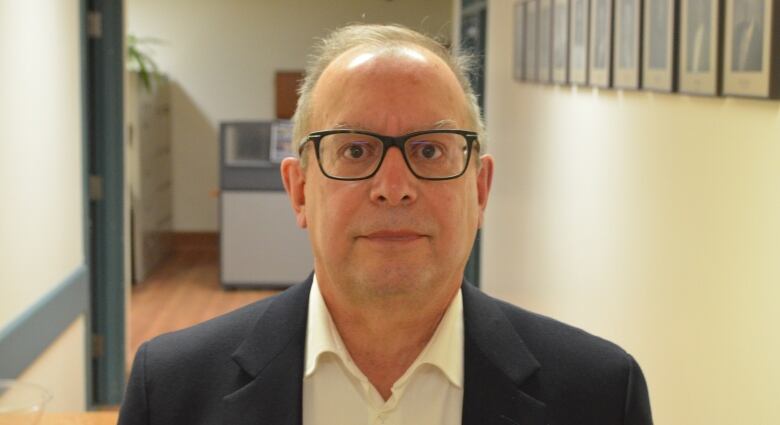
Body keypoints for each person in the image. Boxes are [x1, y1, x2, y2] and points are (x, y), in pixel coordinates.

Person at [118, 24, 653, 425]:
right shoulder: (171, 391)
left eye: (428, 149)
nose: (393, 186)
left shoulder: (600, 395)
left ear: (480, 189)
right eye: (354, 149)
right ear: (300, 190)